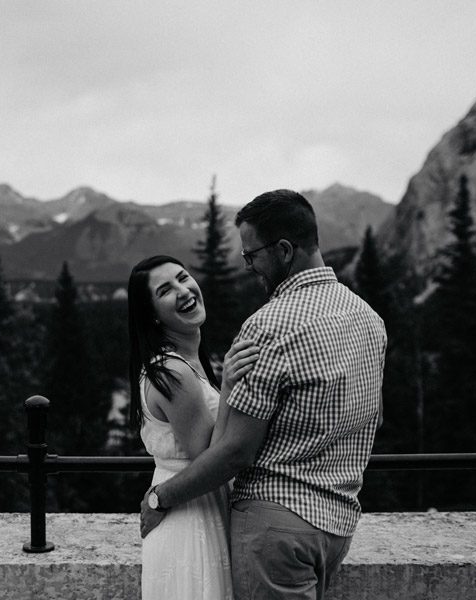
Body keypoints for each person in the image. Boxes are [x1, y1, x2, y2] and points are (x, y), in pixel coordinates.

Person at [140, 190, 387, 599]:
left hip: (276, 529)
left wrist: (160, 497)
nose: (249, 265)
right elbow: (373, 418)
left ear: (284, 251)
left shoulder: (268, 327)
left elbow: (236, 451)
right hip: (339, 524)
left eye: (251, 255)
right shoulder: (369, 318)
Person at [128, 255, 261, 600]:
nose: (183, 290)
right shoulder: (174, 372)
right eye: (166, 290)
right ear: (153, 315)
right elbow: (209, 456)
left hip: (196, 505)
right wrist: (230, 385)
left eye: (183, 278)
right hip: (190, 517)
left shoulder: (186, 364)